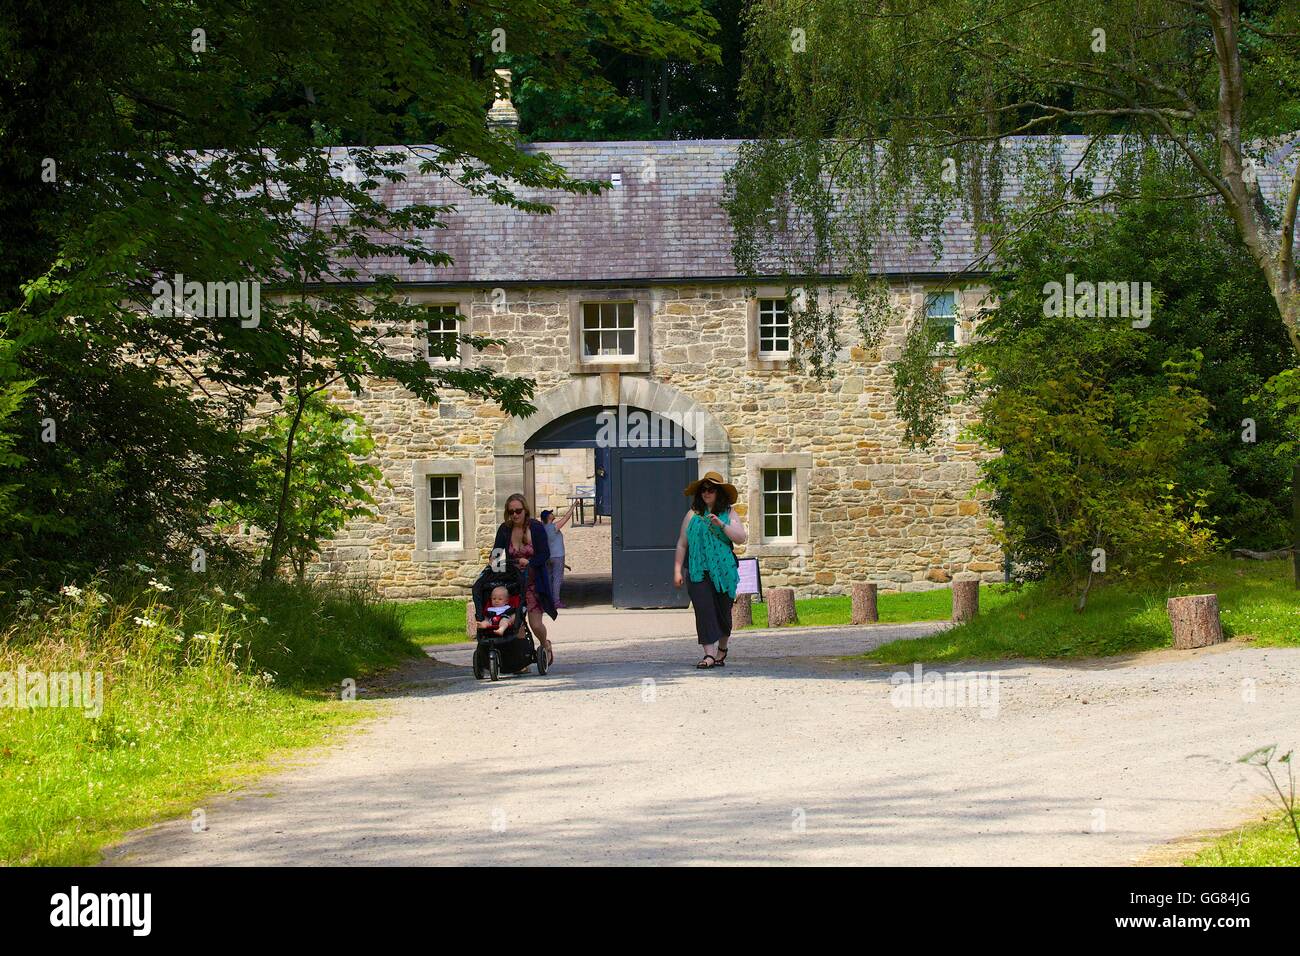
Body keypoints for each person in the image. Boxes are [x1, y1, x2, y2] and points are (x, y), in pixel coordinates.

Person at [672, 471, 747, 669]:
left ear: (718, 492)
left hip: (723, 571)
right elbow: (682, 544)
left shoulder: (729, 514)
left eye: (711, 489)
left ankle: (722, 649)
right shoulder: (692, 515)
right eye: (703, 490)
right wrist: (677, 570)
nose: (706, 493)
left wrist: (721, 524)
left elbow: (740, 537)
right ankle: (709, 655)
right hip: (698, 570)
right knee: (704, 610)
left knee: (723, 611)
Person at [491, 494, 557, 665]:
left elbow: (544, 554)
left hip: (533, 583)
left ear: (525, 511)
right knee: (516, 624)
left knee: (535, 625)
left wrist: (530, 562)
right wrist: (494, 562)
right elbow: (497, 552)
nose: (515, 515)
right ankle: (522, 660)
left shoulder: (535, 527)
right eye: (511, 511)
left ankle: (545, 644)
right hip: (513, 583)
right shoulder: (505, 529)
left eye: (518, 511)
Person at [539, 501, 576, 608]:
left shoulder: (542, 528)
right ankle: (556, 601)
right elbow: (566, 518)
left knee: (549, 579)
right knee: (557, 579)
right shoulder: (553, 527)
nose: (552, 514)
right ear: (548, 517)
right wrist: (573, 507)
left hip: (548, 557)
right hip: (558, 556)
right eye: (550, 513)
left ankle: (549, 600)